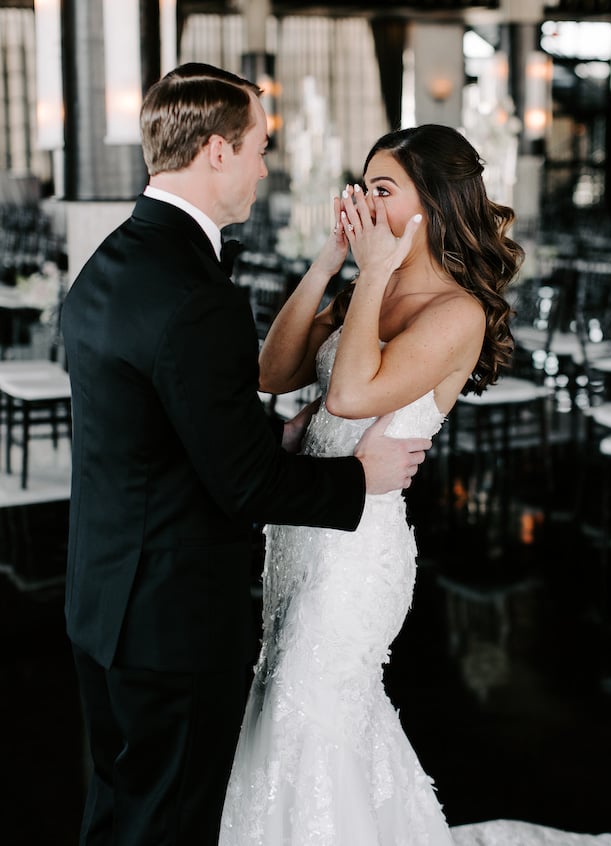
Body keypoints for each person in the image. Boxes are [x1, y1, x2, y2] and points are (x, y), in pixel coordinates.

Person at [60, 63, 431, 846]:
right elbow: (241, 485)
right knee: (170, 826)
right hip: (171, 622)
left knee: (120, 811)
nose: (268, 166)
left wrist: (275, 435)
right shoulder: (198, 294)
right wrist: (357, 478)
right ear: (217, 153)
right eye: (260, 146)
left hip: (104, 603)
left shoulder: (114, 262)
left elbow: (169, 426)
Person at [218, 123, 525, 845]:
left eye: (381, 189)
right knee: (282, 698)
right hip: (300, 531)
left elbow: (353, 394)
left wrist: (376, 273)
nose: (362, 201)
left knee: (312, 703)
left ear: (435, 205)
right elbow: (273, 372)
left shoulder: (457, 312)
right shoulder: (364, 287)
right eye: (362, 186)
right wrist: (330, 261)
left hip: (358, 553)